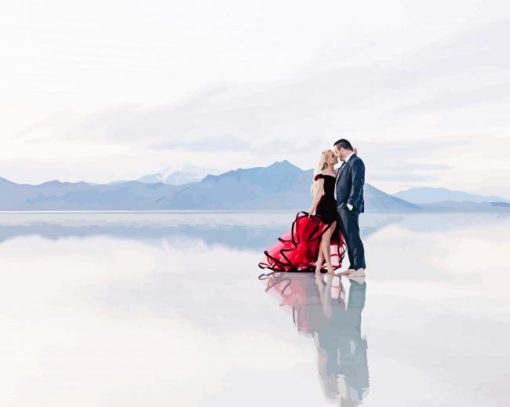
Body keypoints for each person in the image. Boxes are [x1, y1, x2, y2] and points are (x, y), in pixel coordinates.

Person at [258, 150, 347, 274]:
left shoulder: (336, 172)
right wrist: (312, 208)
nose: (335, 157)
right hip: (325, 206)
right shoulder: (322, 174)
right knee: (325, 237)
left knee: (326, 237)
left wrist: (353, 155)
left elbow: (346, 167)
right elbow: (318, 193)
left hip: (334, 205)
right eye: (333, 156)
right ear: (327, 159)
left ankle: (318, 266)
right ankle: (329, 268)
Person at [333, 139, 366, 277]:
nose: (336, 155)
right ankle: (353, 266)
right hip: (342, 207)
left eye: (336, 151)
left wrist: (350, 204)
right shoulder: (347, 163)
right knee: (348, 237)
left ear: (342, 149)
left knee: (353, 236)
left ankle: (359, 268)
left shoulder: (356, 162)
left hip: (348, 207)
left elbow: (357, 183)